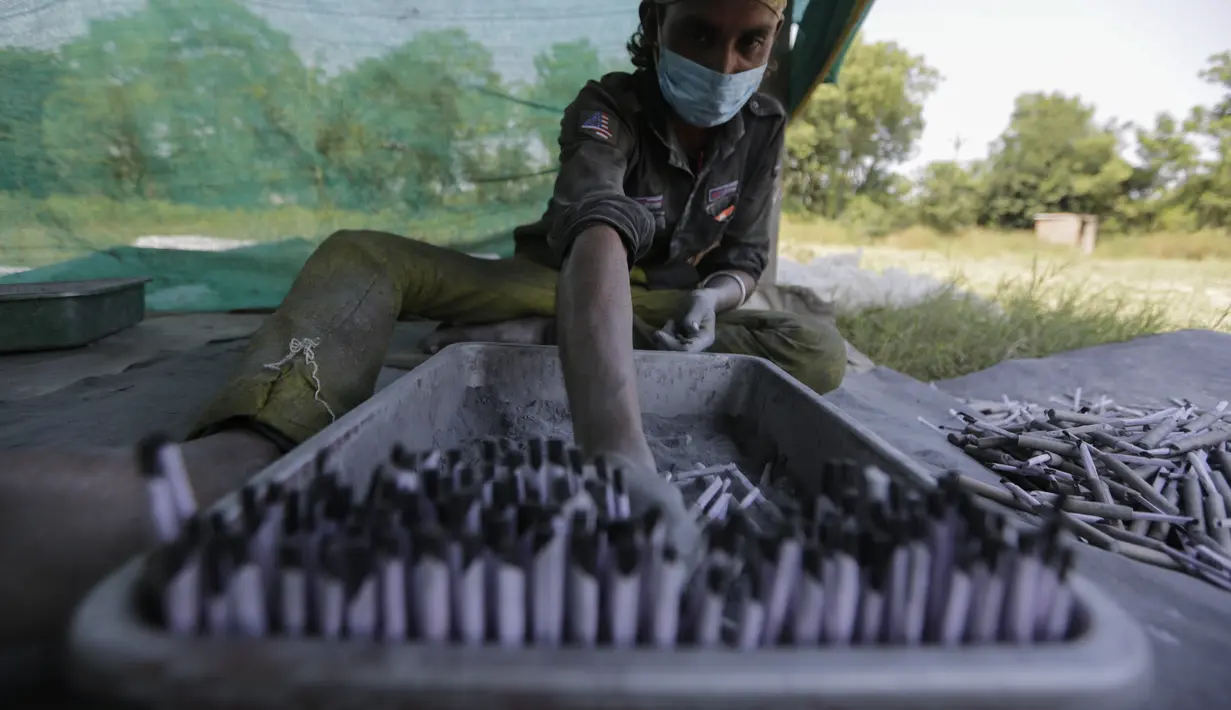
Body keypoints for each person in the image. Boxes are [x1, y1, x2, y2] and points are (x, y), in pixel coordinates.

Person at [0, 0, 847, 650]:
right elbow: (596, 235)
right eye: (698, 32)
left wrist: (719, 298)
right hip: (541, 283)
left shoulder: (762, 129)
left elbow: (743, 258)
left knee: (810, 343)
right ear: (654, 21)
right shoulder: (606, 108)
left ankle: (559, 344)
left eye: (751, 41)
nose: (724, 61)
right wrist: (618, 452)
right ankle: (237, 460)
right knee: (363, 255)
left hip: (660, 309)